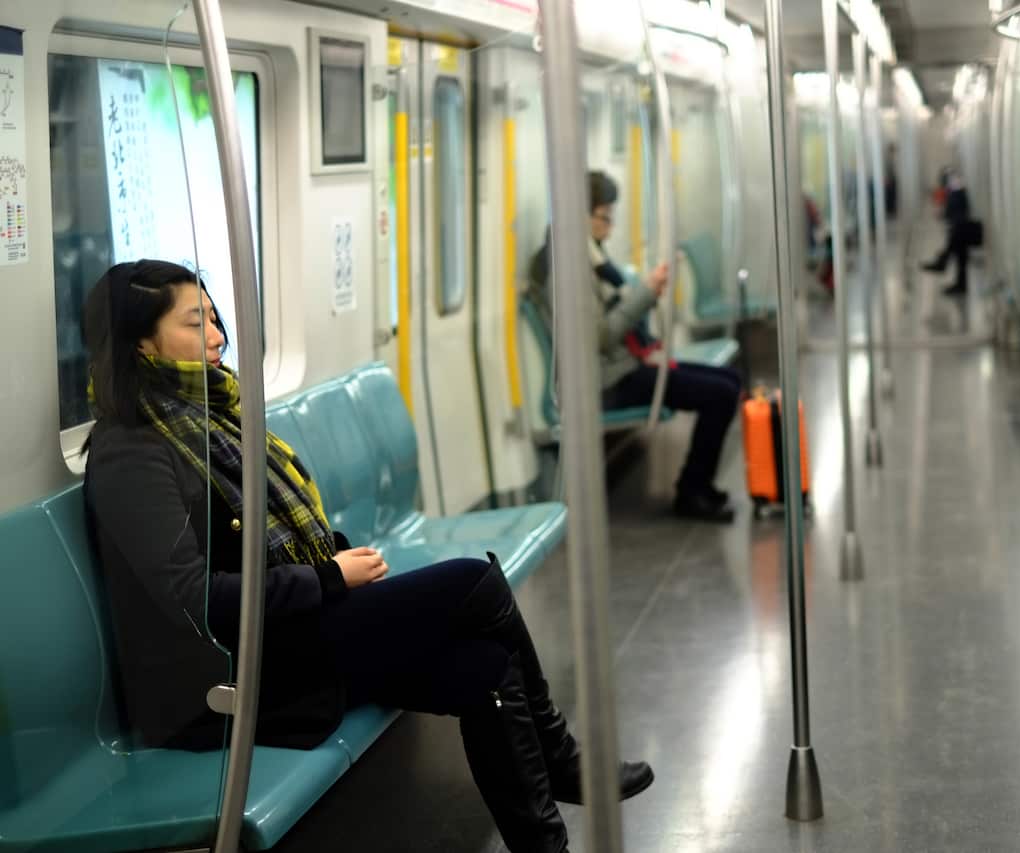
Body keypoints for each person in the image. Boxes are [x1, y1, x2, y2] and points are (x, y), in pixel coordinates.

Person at [81, 259, 653, 853]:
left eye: (214, 318)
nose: (218, 336)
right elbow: (193, 601)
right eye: (194, 323)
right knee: (471, 582)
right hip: (225, 679)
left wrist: (333, 567)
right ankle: (563, 758)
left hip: (285, 636)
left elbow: (264, 540)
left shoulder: (211, 420)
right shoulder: (133, 452)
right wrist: (329, 577)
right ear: (141, 343)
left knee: (486, 669)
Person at [529, 171, 741, 524]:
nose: (610, 229)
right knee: (719, 394)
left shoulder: (588, 257)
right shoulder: (566, 268)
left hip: (620, 367)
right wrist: (645, 293)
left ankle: (697, 485)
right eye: (604, 218)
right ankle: (692, 490)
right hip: (604, 382)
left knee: (729, 381)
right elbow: (598, 337)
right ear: (580, 214)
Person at [920, 170, 975, 297]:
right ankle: (944, 264)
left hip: (962, 227)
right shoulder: (957, 192)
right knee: (959, 252)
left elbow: (956, 209)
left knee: (957, 248)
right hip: (961, 226)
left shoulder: (958, 192)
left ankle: (943, 263)